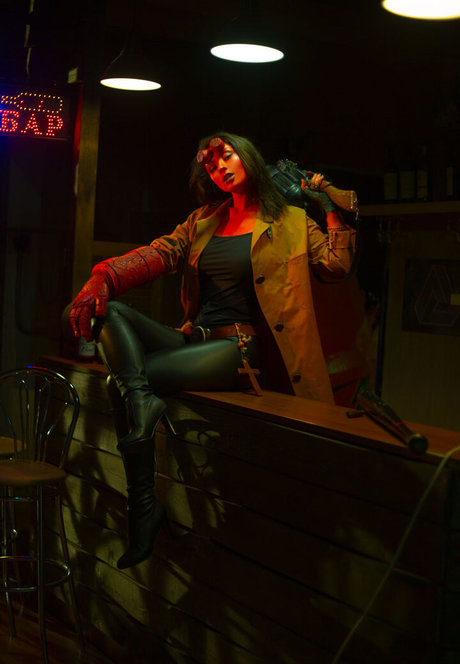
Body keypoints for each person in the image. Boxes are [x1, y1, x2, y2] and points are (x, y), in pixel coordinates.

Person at [67, 132, 356, 569]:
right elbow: (159, 254)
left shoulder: (292, 222)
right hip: (195, 336)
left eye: (226, 155)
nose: (218, 166)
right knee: (112, 312)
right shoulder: (203, 221)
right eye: (209, 163)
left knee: (123, 383)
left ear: (248, 157)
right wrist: (103, 276)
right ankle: (144, 483)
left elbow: (337, 265)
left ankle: (142, 508)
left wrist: (329, 207)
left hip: (238, 347)